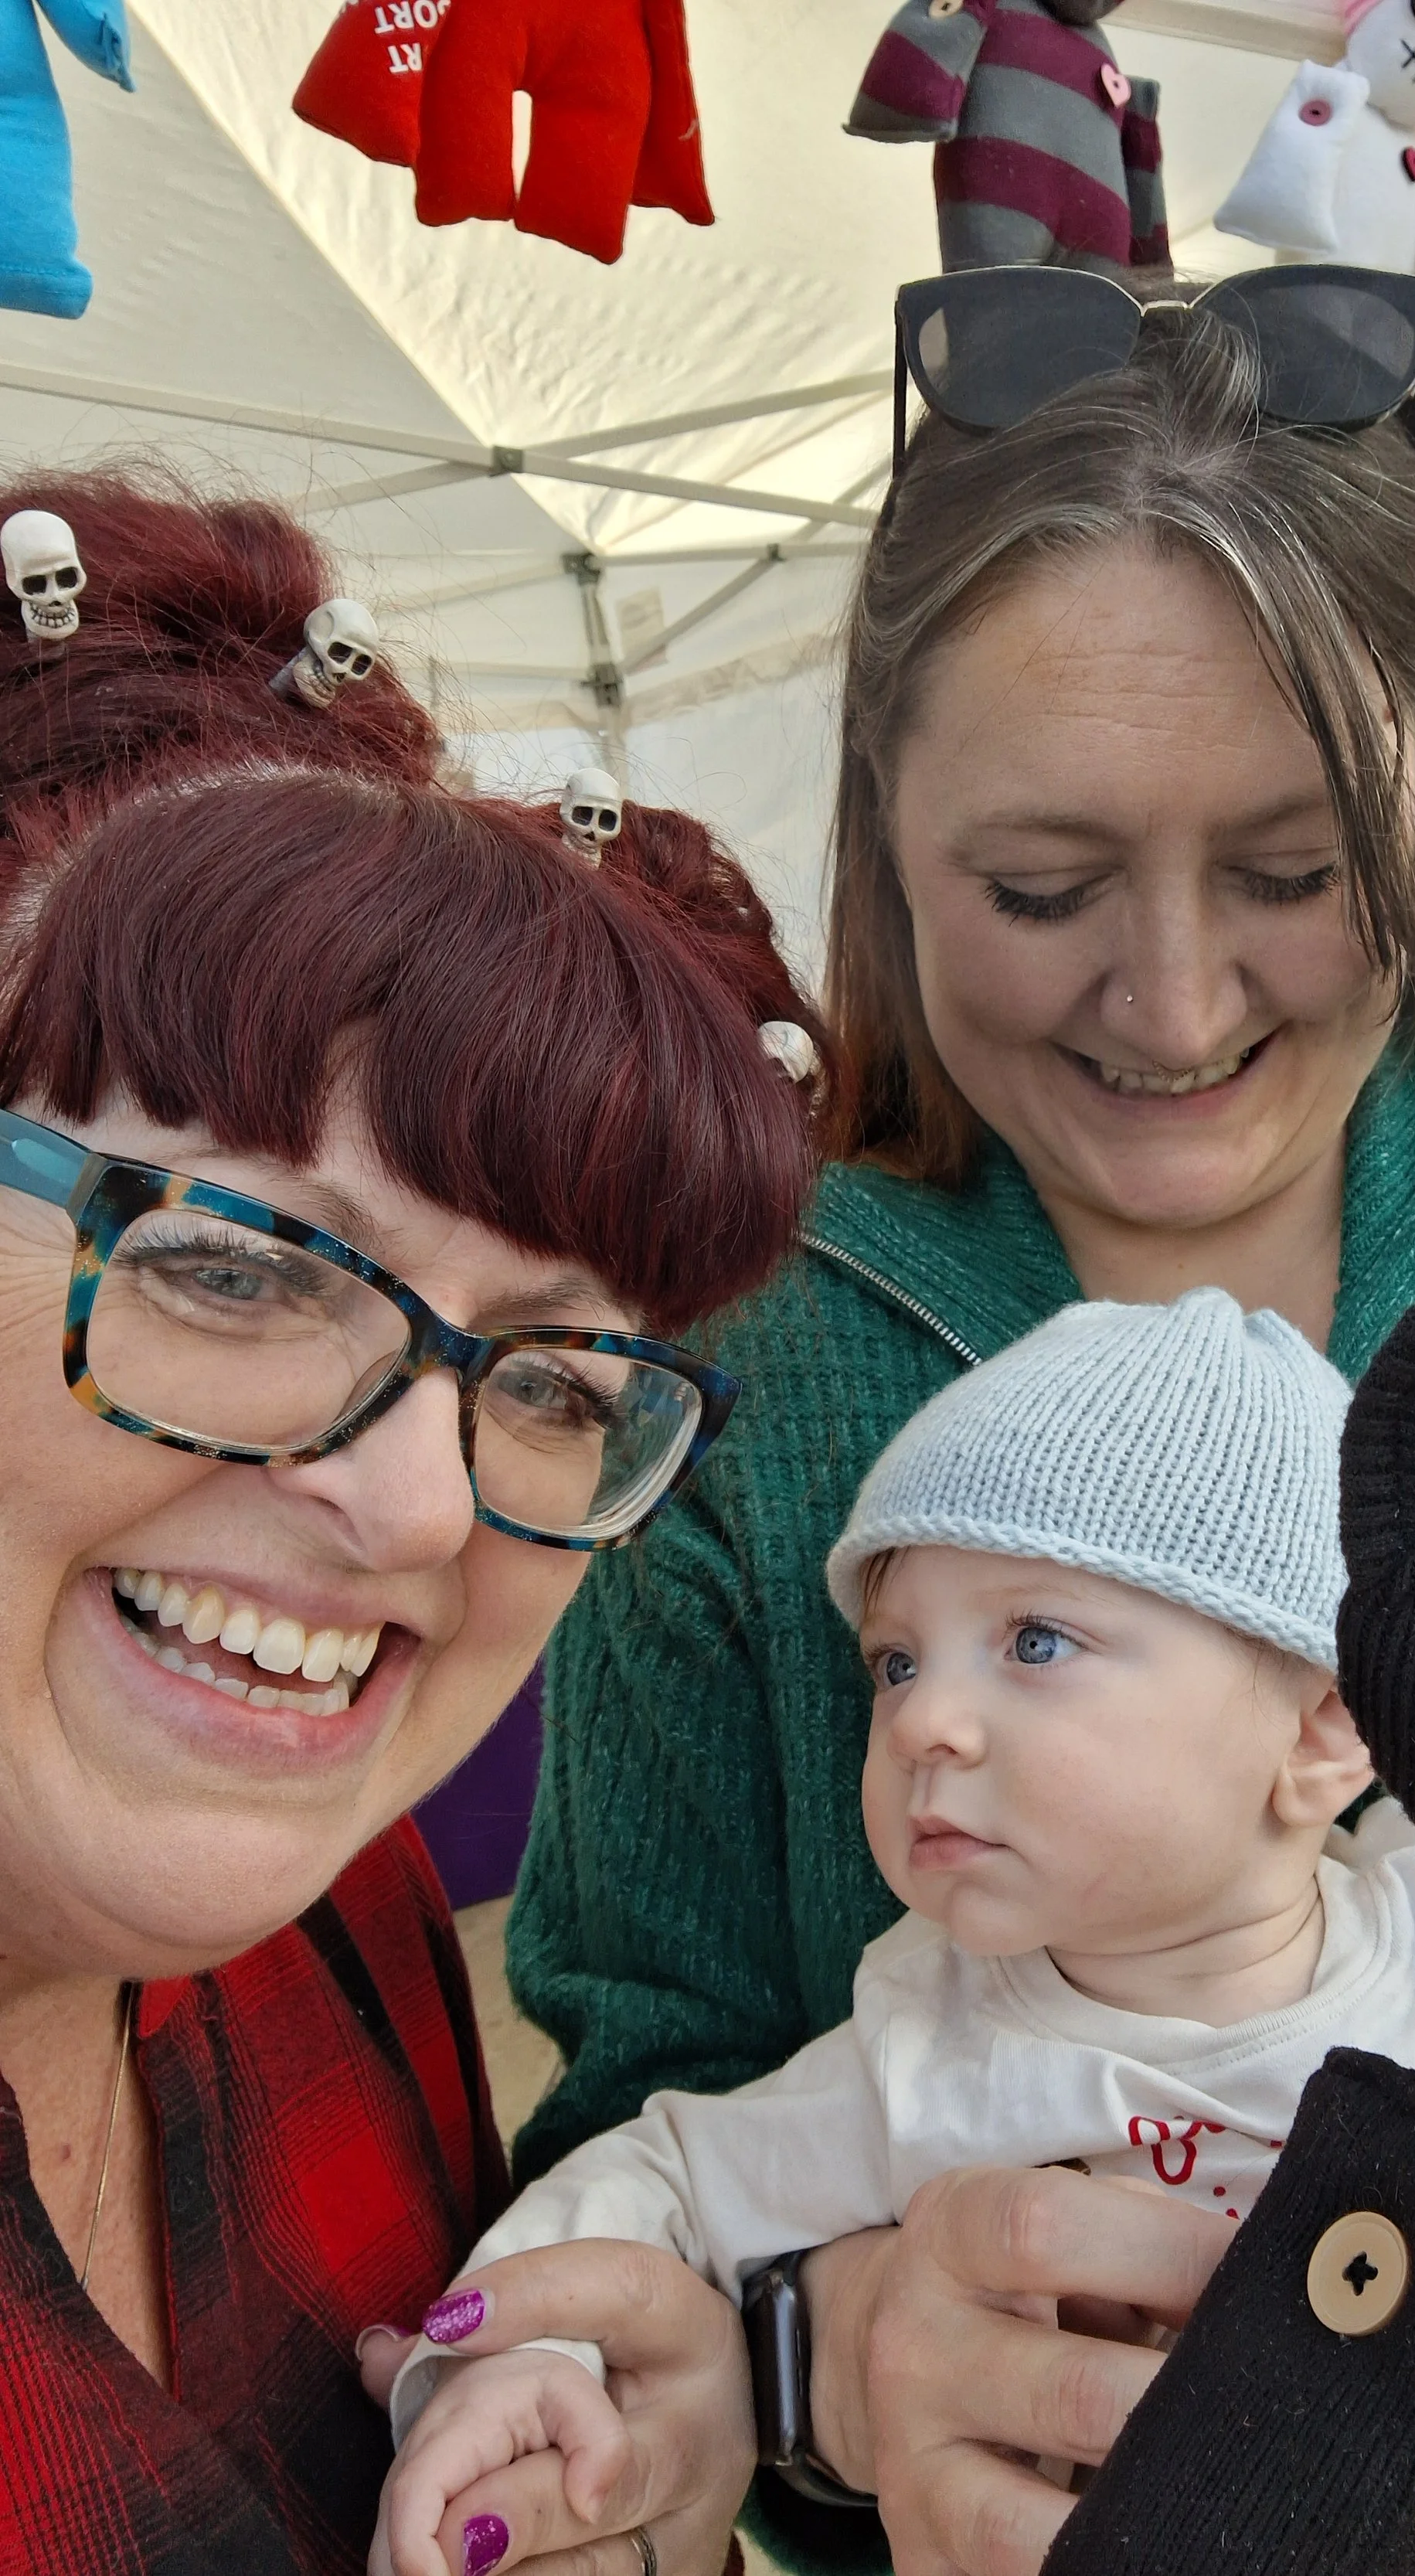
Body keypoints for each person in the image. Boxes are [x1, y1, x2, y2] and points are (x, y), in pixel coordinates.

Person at [504, 272, 1415, 2576]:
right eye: (1040, 888)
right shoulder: (731, 1375)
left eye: (1289, 872)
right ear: (876, 819)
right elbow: (636, 2134)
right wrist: (826, 2362)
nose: (1171, 1003)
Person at [0, 471, 826, 2576]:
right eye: (239, 1264)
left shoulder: (328, 1918)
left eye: (549, 1380)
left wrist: (662, 2421)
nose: (414, 1505)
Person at [371, 1288, 1415, 2576]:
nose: (920, 1724)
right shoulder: (931, 2045)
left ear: (1324, 1730)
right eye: (895, 1662)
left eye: (1037, 1641)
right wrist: (523, 2361)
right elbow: (660, 2181)